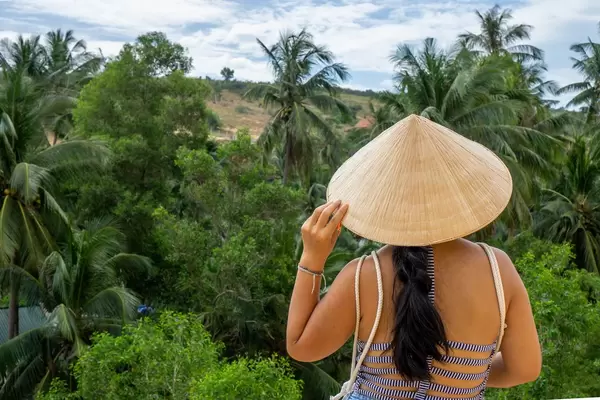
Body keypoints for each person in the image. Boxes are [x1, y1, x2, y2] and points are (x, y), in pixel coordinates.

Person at [286, 115, 541, 400]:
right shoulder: (498, 270)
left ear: (382, 198)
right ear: (458, 194)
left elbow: (301, 346)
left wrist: (312, 257)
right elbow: (524, 369)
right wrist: (458, 373)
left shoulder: (363, 275)